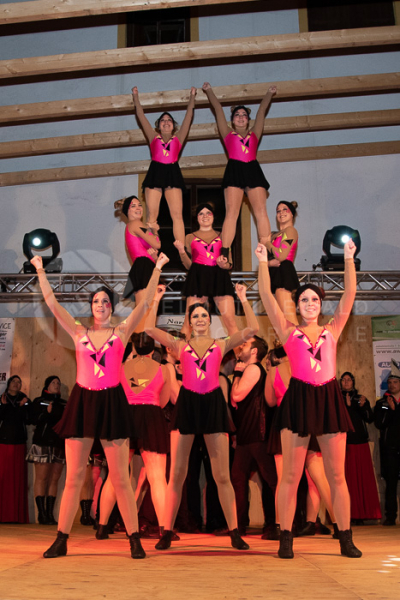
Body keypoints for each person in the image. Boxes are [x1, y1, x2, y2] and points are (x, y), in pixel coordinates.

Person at [30, 251, 168, 559]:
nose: (101, 305)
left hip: (111, 402)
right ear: (91, 307)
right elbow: (52, 303)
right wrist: (40, 270)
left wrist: (157, 268)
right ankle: (61, 538)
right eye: (96, 301)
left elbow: (145, 303)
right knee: (74, 476)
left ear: (112, 307)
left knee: (120, 478)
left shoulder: (121, 333)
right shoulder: (78, 331)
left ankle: (134, 539)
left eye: (106, 301)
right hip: (83, 401)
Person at [255, 239, 362, 559]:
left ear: (320, 304)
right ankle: (285, 538)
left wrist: (348, 259)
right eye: (304, 299)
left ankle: (346, 538)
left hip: (328, 398)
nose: (310, 303)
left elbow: (350, 294)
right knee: (290, 475)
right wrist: (262, 264)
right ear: (298, 305)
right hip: (298, 399)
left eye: (315, 299)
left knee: (336, 475)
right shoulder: (288, 331)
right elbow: (266, 296)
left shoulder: (333, 329)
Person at [144, 283, 260, 550]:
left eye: (203, 315)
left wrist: (243, 298)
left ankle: (234, 532)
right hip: (187, 405)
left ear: (210, 320)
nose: (199, 319)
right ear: (189, 321)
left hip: (212, 405)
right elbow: (149, 329)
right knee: (177, 474)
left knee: (222, 476)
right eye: (194, 316)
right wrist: (156, 299)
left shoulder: (221, 343)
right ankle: (167, 531)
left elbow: (252, 329)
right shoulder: (179, 345)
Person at [96, 332, 171, 539]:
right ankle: (164, 529)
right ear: (153, 349)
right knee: (157, 478)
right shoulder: (164, 369)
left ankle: (102, 526)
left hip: (126, 416)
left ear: (134, 348)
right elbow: (164, 400)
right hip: (152, 415)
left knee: (115, 475)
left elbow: (113, 394)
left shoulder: (120, 368)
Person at [265, 350, 338, 540]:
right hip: (306, 420)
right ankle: (339, 523)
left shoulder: (274, 371)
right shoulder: (305, 366)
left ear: (278, 357)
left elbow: (270, 401)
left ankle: (281, 526)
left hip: (285, 421)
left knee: (284, 479)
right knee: (319, 478)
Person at [201, 82, 276, 260]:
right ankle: (225, 251)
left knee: (261, 211)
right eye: (237, 115)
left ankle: (267, 249)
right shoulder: (227, 134)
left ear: (248, 120)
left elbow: (261, 113)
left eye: (244, 115)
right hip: (234, 169)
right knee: (232, 213)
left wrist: (269, 94)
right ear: (233, 120)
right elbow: (218, 110)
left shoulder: (255, 133)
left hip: (252, 168)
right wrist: (209, 91)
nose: (241, 117)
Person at [132, 86, 197, 244]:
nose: (166, 122)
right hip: (156, 171)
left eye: (169, 120)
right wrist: (136, 97)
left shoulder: (178, 138)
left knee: (177, 215)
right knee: (152, 215)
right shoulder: (153, 136)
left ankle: (181, 249)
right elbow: (141, 116)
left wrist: (192, 98)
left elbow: (188, 117)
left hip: (172, 172)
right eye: (163, 120)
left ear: (173, 126)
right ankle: (151, 246)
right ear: (158, 125)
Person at [230, 336, 277, 537]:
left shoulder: (253, 369)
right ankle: (239, 526)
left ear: (255, 351)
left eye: (246, 344)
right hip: (248, 434)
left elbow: (236, 396)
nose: (242, 346)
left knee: (270, 480)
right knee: (239, 479)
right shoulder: (251, 369)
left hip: (257, 433)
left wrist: (236, 374)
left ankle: (277, 524)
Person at [174, 203, 238, 336]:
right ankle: (183, 350)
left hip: (220, 276)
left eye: (208, 213)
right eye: (201, 214)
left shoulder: (224, 235)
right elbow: (189, 266)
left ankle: (239, 350)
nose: (205, 216)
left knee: (230, 321)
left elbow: (230, 263)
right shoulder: (189, 237)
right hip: (197, 277)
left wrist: (223, 264)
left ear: (213, 216)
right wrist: (181, 251)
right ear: (196, 217)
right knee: (188, 323)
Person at [340, 371, 381, 523]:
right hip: (344, 444)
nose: (346, 382)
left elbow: (370, 419)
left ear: (353, 382)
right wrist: (347, 407)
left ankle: (364, 514)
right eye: (343, 380)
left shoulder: (361, 399)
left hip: (361, 443)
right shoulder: (336, 399)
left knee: (363, 481)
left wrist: (362, 407)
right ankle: (348, 515)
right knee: (347, 481)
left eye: (349, 380)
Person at [26, 376, 67, 525]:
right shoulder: (39, 401)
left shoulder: (64, 403)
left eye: (58, 383)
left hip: (59, 444)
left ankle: (50, 514)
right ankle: (41, 514)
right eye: (53, 383)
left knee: (54, 479)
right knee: (42, 478)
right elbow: (32, 420)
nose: (56, 385)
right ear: (47, 386)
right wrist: (46, 413)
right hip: (42, 442)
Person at [114, 195, 161, 309]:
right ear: (127, 211)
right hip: (143, 267)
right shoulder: (135, 224)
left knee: (146, 310)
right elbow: (157, 244)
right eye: (133, 206)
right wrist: (155, 231)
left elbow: (154, 247)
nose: (138, 208)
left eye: (140, 205)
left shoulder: (136, 226)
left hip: (146, 266)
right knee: (144, 310)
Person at [0, 375, 31, 523]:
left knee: (17, 479)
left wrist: (22, 407)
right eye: (14, 381)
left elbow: (28, 419)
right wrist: (4, 406)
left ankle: (16, 516)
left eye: (19, 382)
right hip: (3, 442)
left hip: (19, 442)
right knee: (3, 477)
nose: (16, 384)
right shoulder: (2, 398)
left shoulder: (25, 400)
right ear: (8, 383)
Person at [374, 360, 400, 526]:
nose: (392, 385)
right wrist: (391, 411)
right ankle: (390, 517)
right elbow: (379, 424)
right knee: (391, 484)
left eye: (395, 382)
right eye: (389, 382)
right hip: (390, 449)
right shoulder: (381, 403)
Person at [265, 201, 299, 323]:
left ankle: (297, 336)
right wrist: (269, 263)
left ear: (292, 214)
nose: (281, 213)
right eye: (278, 211)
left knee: (289, 319)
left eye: (285, 209)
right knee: (279, 323)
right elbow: (265, 261)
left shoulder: (290, 231)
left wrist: (267, 243)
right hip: (274, 274)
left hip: (284, 273)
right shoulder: (274, 235)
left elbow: (281, 255)